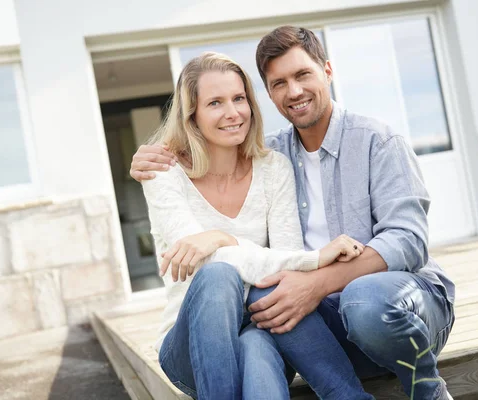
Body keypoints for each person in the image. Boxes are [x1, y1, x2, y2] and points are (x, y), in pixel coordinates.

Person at [131, 26, 456, 400]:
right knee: (240, 292)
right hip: (282, 326)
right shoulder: (261, 155)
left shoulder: (369, 143)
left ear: (327, 72)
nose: (294, 91)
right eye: (279, 83)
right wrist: (150, 157)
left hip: (390, 305)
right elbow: (266, 267)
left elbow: (408, 241)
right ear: (268, 94)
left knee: (347, 301)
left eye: (303, 75)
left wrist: (315, 280)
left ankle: (425, 388)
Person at [142, 51, 376, 399]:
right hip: (189, 349)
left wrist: (220, 241)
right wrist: (314, 259)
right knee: (218, 276)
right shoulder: (164, 173)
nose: (232, 112)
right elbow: (201, 261)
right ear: (192, 114)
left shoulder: (273, 169)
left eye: (239, 99)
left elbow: (282, 267)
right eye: (215, 103)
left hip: (265, 329)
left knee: (257, 337)